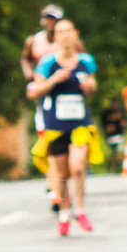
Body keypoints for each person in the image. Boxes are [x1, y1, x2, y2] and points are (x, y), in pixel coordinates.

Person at [28, 19, 103, 236]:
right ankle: (63, 213)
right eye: (61, 32)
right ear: (56, 37)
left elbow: (93, 84)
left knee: (78, 167)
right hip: (56, 124)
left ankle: (80, 210)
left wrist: (90, 86)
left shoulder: (86, 61)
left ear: (75, 34)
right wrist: (52, 81)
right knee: (62, 173)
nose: (66, 35)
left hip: (80, 122)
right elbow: (34, 90)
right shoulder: (47, 63)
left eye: (69, 31)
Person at [21, 5, 85, 211]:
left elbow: (83, 61)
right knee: (50, 144)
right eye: (47, 19)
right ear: (42, 21)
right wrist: (31, 77)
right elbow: (25, 59)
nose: (50, 22)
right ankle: (55, 188)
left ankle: (61, 187)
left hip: (68, 98)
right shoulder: (34, 41)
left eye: (54, 19)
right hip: (46, 95)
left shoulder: (70, 41)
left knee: (70, 148)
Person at [99, 96, 127, 172]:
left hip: (120, 135)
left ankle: (118, 167)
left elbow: (125, 122)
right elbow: (103, 124)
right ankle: (111, 166)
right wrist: (107, 127)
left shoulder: (121, 112)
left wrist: (124, 124)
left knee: (120, 151)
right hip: (110, 136)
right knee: (112, 153)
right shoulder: (106, 113)